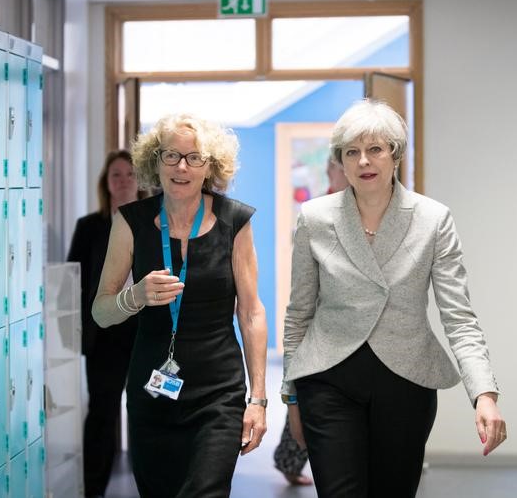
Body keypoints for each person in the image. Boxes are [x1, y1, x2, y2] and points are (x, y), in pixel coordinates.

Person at [281, 99, 506, 498]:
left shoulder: (432, 219)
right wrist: (292, 396)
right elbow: (299, 314)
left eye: (375, 149)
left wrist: (484, 395)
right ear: (341, 161)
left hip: (406, 382)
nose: (364, 161)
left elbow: (459, 317)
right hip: (328, 381)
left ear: (395, 155)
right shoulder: (315, 218)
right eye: (352, 152)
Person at [91, 113, 268, 497]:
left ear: (210, 167)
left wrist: (258, 398)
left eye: (194, 158)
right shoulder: (131, 221)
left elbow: (251, 312)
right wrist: (135, 295)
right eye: (171, 156)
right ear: (156, 162)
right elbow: (100, 312)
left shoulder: (234, 220)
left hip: (218, 393)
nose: (181, 167)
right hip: (152, 392)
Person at [67, 149, 145, 498]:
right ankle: (93, 487)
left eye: (129, 174)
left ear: (139, 180)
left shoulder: (153, 221)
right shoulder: (90, 226)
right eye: (116, 175)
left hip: (144, 330)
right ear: (106, 183)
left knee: (146, 406)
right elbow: (75, 281)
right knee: (102, 411)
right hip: (105, 332)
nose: (123, 180)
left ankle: (151, 481)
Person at [273, 157, 349, 486]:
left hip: (346, 322)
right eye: (340, 167)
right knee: (304, 393)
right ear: (331, 170)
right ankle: (290, 460)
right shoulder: (318, 211)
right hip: (318, 318)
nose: (348, 172)